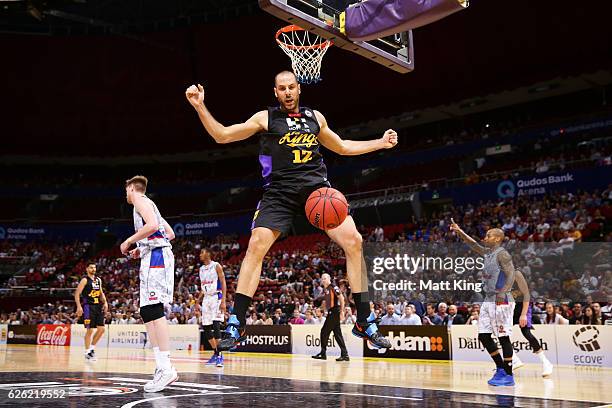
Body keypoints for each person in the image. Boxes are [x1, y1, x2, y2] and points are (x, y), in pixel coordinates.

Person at [185, 72, 397, 351]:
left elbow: (343, 147)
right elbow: (222, 135)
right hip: (279, 192)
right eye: (282, 88)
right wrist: (200, 105)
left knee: (354, 241)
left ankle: (364, 319)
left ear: (299, 89)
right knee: (256, 245)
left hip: (317, 192)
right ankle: (236, 322)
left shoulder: (315, 118)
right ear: (275, 92)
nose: (287, 92)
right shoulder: (266, 118)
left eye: (291, 87)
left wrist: (380, 143)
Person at [120, 175, 178, 392]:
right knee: (147, 311)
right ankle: (161, 366)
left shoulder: (141, 201)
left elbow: (153, 226)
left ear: (132, 188)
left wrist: (130, 240)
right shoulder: (149, 205)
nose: (125, 194)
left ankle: (167, 368)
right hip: (151, 256)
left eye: (126, 190)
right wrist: (142, 248)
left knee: (154, 309)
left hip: (157, 259)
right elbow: (169, 233)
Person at [450, 219, 516, 387]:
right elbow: (472, 244)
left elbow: (511, 275)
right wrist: (459, 231)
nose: (485, 237)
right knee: (483, 335)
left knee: (503, 337)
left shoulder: (502, 254)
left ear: (497, 239)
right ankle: (500, 368)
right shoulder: (488, 253)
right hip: (488, 299)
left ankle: (509, 375)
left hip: (502, 299)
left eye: (488, 235)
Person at [511, 270, 554, 377]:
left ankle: (546, 362)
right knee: (501, 333)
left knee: (526, 333)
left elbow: (526, 295)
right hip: (512, 308)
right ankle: (514, 359)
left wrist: (523, 315)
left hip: (524, 307)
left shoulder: (516, 274)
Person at [198, 248, 227, 368]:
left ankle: (220, 356)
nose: (200, 255)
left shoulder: (216, 266)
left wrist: (224, 300)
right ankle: (216, 353)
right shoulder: (200, 269)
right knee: (206, 327)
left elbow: (223, 282)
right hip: (206, 298)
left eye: (202, 252)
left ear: (208, 254)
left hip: (216, 297)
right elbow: (204, 286)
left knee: (216, 325)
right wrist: (198, 300)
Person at [74, 262, 109, 361]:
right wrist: (79, 306)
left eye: (94, 268)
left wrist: (105, 303)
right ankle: (87, 352)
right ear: (87, 269)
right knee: (90, 330)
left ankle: (92, 349)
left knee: (101, 329)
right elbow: (77, 294)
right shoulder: (85, 280)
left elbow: (101, 293)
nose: (93, 269)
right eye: (91, 268)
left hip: (98, 306)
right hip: (88, 307)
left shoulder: (98, 280)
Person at [312, 273, 349, 361]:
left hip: (335, 311)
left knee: (324, 331)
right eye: (322, 278)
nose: (323, 280)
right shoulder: (326, 289)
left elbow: (341, 298)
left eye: (325, 278)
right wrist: (324, 310)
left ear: (329, 279)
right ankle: (345, 354)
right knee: (337, 334)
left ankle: (323, 353)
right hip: (331, 312)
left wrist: (342, 311)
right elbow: (327, 301)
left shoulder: (333, 287)